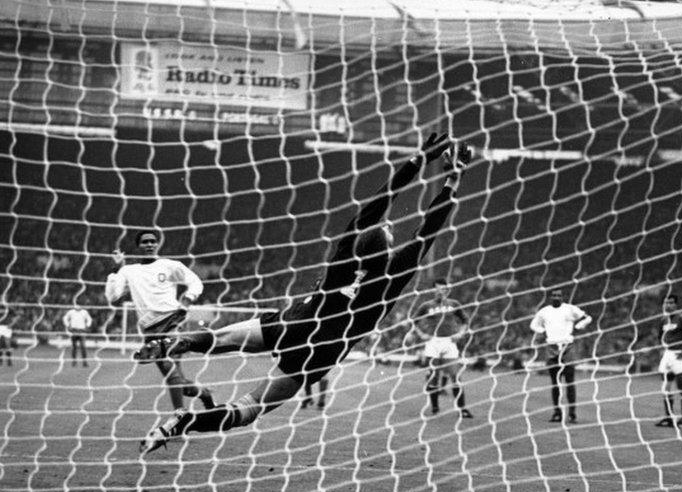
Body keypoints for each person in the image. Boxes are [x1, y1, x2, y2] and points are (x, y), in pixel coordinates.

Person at [138, 134, 470, 454]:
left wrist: (417, 161)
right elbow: (428, 229)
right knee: (249, 407)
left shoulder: (345, 254)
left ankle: (177, 342)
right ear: (388, 250)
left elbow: (381, 200)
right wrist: (452, 181)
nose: (387, 225)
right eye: (389, 230)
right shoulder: (392, 277)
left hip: (294, 321)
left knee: (222, 338)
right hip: (316, 352)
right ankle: (183, 422)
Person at [105, 229, 214, 411]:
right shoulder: (129, 271)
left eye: (153, 241)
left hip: (172, 323)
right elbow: (112, 296)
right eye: (145, 242)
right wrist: (115, 269)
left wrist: (185, 303)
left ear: (157, 244)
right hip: (150, 332)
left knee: (171, 374)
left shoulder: (170, 265)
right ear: (138, 246)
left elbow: (196, 282)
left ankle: (180, 418)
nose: (149, 244)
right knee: (178, 382)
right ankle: (205, 393)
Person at [407, 278, 472, 418]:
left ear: (447, 290)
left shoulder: (454, 304)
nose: (440, 292)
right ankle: (435, 407)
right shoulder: (426, 306)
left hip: (449, 342)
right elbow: (413, 321)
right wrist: (421, 334)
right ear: (432, 290)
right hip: (433, 342)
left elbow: (465, 320)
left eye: (443, 289)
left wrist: (460, 333)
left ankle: (463, 409)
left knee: (455, 376)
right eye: (437, 289)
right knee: (433, 377)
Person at [529, 287, 592, 423]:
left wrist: (577, 327)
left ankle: (572, 414)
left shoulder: (570, 309)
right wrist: (543, 330)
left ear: (563, 297)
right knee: (555, 383)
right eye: (554, 295)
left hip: (567, 347)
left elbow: (588, 318)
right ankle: (557, 413)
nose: (556, 297)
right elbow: (533, 325)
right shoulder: (544, 311)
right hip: (552, 348)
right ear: (550, 297)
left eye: (559, 295)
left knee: (570, 382)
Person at [654, 294, 682, 428]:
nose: (668, 305)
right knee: (665, 387)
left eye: (671, 303)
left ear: (676, 304)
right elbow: (659, 336)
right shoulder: (663, 320)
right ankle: (669, 417)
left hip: (679, 355)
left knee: (681, 387)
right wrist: (662, 349)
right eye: (666, 303)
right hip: (667, 355)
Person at [62, 302, 93, 368]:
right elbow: (65, 318)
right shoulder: (71, 312)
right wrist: (68, 325)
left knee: (83, 347)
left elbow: (89, 319)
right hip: (74, 330)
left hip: (82, 331)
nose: (77, 306)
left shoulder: (84, 312)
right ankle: (74, 362)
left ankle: (85, 362)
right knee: (74, 347)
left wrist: (87, 326)